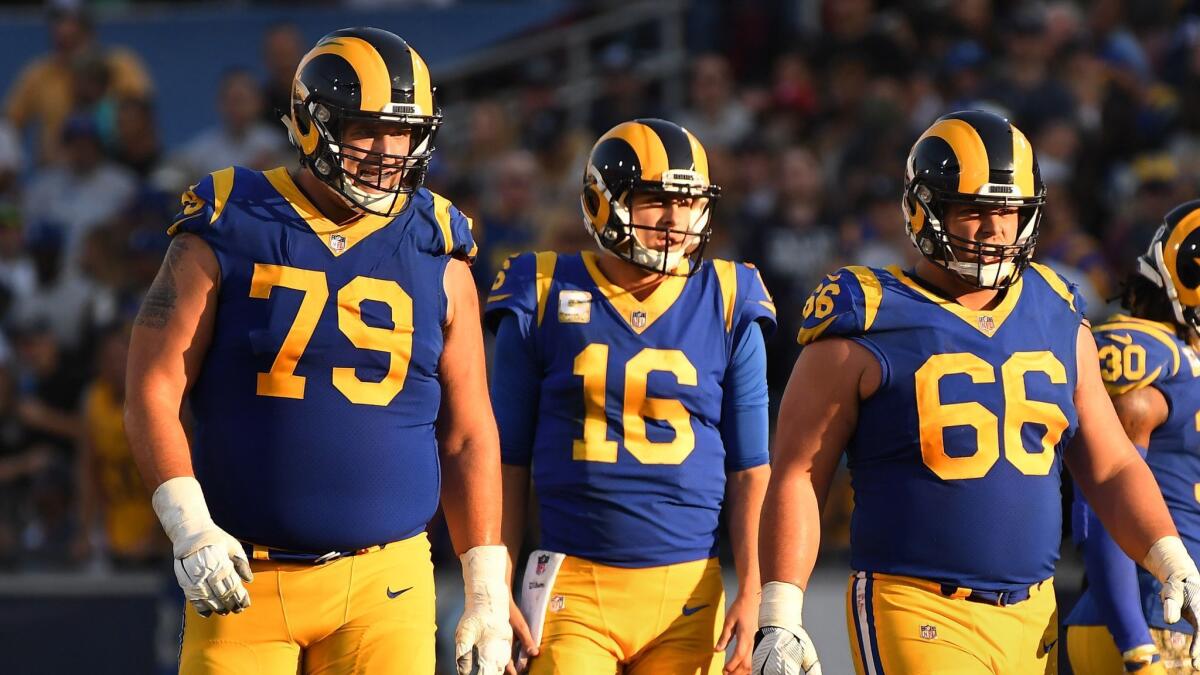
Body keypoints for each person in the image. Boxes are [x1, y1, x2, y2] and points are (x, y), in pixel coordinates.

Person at [750, 109, 1200, 675]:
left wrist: (1169, 556)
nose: (995, 230)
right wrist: (780, 610)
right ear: (923, 209)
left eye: (1009, 212)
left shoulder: (1055, 306)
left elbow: (1109, 465)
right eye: (973, 212)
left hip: (1034, 614)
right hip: (916, 604)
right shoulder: (866, 314)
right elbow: (800, 472)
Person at [125, 27, 511, 675]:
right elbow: (152, 386)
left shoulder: (438, 242)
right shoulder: (231, 219)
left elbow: (469, 431)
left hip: (388, 581)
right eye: (368, 129)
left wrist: (485, 584)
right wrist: (188, 522)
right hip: (244, 573)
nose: (391, 152)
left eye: (405, 132)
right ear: (312, 124)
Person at [488, 118, 774, 674]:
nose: (674, 220)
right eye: (654, 202)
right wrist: (491, 584)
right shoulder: (543, 290)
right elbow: (504, 460)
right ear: (603, 202)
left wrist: (757, 586)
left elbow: (751, 466)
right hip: (572, 580)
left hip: (691, 589)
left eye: (689, 203)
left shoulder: (730, 296)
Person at [1064, 200, 1200, 674]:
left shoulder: (1184, 363)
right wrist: (1136, 644)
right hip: (1153, 622)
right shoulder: (1154, 362)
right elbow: (1103, 499)